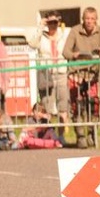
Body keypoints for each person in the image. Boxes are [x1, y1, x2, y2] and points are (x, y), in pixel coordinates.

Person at [63, 6, 100, 148]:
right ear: (83, 19)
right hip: (76, 74)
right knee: (77, 106)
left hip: (92, 75)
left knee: (94, 104)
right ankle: (80, 136)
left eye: (92, 19)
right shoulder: (75, 31)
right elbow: (65, 51)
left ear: (96, 20)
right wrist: (74, 55)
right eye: (87, 19)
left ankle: (92, 134)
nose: (89, 22)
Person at [28, 11, 71, 140]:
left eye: (55, 22)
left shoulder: (65, 35)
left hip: (61, 73)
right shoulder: (42, 36)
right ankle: (49, 136)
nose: (52, 25)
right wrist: (40, 27)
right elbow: (32, 44)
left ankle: (62, 136)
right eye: (50, 22)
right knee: (47, 107)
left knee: (62, 107)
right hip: (46, 74)